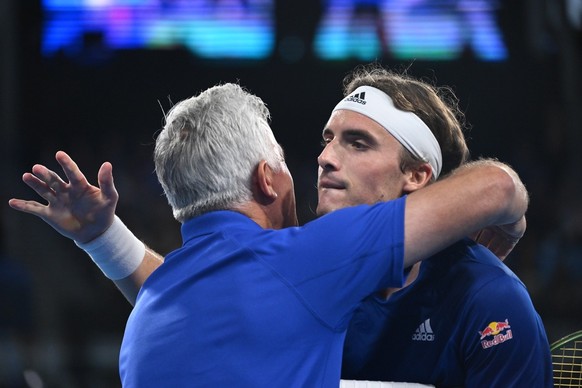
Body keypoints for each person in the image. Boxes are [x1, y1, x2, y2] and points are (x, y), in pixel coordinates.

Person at [9, 81, 529, 387]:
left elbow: (164, 283)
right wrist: (510, 222)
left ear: (419, 175)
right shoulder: (314, 263)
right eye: (325, 141)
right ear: (265, 179)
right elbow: (499, 184)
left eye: (357, 142)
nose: (323, 157)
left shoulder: (164, 302)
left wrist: (102, 237)